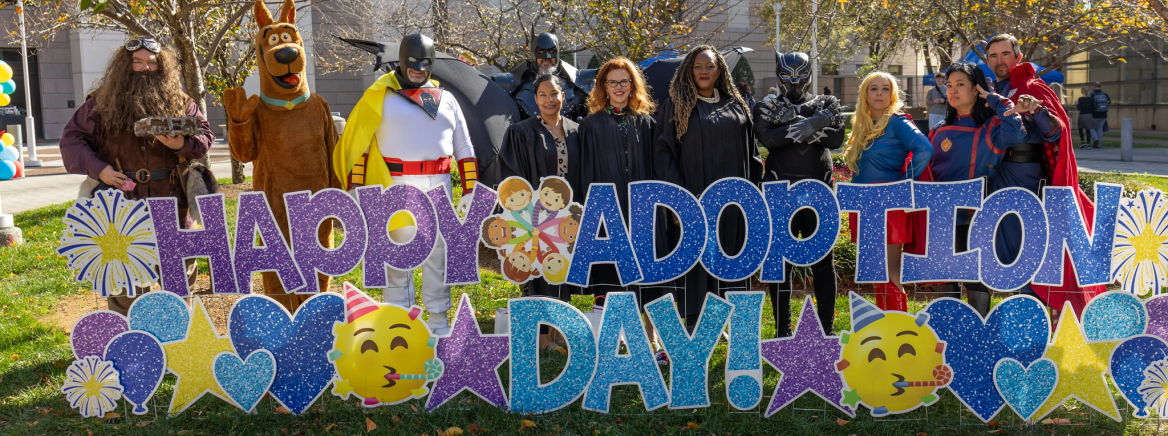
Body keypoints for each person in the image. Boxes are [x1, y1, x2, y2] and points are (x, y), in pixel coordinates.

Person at [332, 33, 478, 335]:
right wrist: (358, 190)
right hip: (394, 192)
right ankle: (399, 331)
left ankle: (438, 327)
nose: (418, 70)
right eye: (412, 63)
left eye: (425, 64)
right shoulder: (379, 95)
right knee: (397, 265)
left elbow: (464, 147)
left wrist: (470, 189)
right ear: (400, 60)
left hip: (439, 192)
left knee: (438, 263)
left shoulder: (447, 99)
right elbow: (362, 145)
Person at [60, 37, 214, 315]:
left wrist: (180, 145)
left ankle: (181, 345)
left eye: (152, 63)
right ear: (125, 65)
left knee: (178, 279)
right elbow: (73, 140)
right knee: (123, 280)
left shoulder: (181, 102)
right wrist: (100, 170)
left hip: (172, 204)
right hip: (122, 205)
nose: (145, 68)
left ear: (162, 66)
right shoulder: (101, 102)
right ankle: (127, 344)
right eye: (138, 61)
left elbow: (205, 137)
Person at [983, 33, 1104, 316]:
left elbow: (1055, 131)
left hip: (1025, 181)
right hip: (998, 178)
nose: (1000, 61)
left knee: (1027, 253)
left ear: (1018, 57)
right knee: (1008, 254)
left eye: (1005, 54)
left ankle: (1036, 322)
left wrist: (1036, 111)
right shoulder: (993, 90)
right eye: (993, 56)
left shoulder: (1032, 86)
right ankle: (1028, 319)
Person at [655, 45, 763, 333]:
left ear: (720, 70)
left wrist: (755, 192)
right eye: (698, 66)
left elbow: (751, 152)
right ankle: (697, 325)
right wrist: (678, 199)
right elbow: (663, 153)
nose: (704, 71)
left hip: (734, 200)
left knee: (731, 252)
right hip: (695, 198)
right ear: (689, 70)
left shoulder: (736, 105)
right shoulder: (676, 105)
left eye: (710, 66)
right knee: (700, 260)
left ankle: (728, 320)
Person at [753, 51, 845, 336]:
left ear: (810, 72)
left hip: (819, 192)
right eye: (787, 75)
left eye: (800, 75)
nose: (794, 82)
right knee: (780, 265)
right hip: (781, 192)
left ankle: (826, 330)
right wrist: (815, 122)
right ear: (778, 72)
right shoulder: (766, 105)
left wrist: (795, 121)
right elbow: (767, 138)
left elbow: (837, 138)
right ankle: (782, 331)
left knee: (823, 264)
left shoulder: (827, 102)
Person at [926, 62, 1024, 317]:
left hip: (976, 217)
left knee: (975, 278)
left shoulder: (991, 128)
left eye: (960, 85)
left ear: (977, 90)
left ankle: (978, 335)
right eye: (949, 85)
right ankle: (946, 336)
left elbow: (1016, 133)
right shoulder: (936, 131)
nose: (952, 91)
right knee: (946, 276)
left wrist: (996, 101)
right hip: (941, 217)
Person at [578, 57, 662, 349]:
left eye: (624, 81)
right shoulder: (589, 126)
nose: (618, 87)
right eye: (612, 82)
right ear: (603, 86)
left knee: (647, 277)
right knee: (611, 275)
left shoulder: (647, 123)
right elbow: (586, 173)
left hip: (641, 211)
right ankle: (611, 341)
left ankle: (651, 340)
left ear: (632, 84)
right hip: (608, 213)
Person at [497, 74, 581, 350]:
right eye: (543, 95)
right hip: (533, 217)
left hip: (566, 216)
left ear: (564, 96)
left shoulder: (576, 130)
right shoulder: (521, 132)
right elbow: (513, 178)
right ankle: (541, 336)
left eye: (554, 94)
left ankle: (557, 329)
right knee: (535, 272)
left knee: (559, 270)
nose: (549, 100)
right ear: (535, 99)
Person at [841, 72, 932, 313]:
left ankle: (900, 332)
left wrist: (903, 184)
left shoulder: (897, 122)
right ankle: (887, 328)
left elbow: (924, 148)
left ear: (892, 94)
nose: (879, 93)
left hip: (888, 206)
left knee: (890, 273)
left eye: (884, 88)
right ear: (865, 94)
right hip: (864, 205)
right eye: (874, 88)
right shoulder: (863, 125)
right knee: (876, 273)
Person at [493, 32, 589, 121]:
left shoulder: (578, 81)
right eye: (540, 51)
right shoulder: (511, 83)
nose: (546, 57)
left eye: (551, 51)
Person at [1089, 81, 1110, 149]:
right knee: (1099, 128)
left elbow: (1090, 104)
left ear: (1094, 87)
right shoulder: (1104, 94)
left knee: (1091, 127)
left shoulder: (1092, 95)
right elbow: (1109, 102)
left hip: (1094, 114)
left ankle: (1095, 139)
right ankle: (1099, 144)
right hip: (1103, 114)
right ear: (1100, 86)